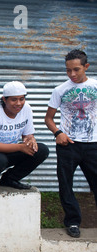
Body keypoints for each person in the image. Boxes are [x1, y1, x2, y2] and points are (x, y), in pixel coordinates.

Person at [45, 49, 97, 238]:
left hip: (93, 144)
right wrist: (58, 133)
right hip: (68, 145)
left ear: (86, 67)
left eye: (76, 70)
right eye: (68, 70)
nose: (72, 74)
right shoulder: (60, 90)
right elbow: (48, 118)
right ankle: (73, 221)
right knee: (66, 184)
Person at [0, 81, 49, 191]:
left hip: (9, 151)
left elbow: (28, 135)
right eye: (13, 99)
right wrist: (20, 147)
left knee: (41, 150)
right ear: (4, 99)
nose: (18, 103)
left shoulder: (26, 109)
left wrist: (30, 141)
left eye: (21, 99)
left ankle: (10, 179)